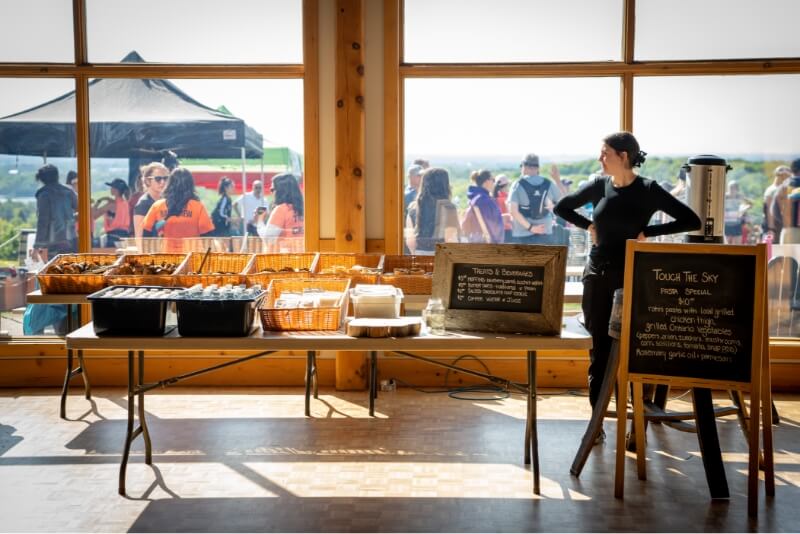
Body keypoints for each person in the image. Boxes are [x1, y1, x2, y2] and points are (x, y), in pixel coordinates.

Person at [554, 132, 701, 438]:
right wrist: (589, 225)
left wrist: (649, 230)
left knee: (633, 351)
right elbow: (562, 208)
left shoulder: (648, 189)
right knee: (599, 350)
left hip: (631, 277)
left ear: (623, 156)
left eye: (604, 152)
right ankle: (596, 426)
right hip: (597, 275)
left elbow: (690, 220)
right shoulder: (598, 184)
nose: (599, 158)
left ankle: (634, 424)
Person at [141, 168, 215, 253]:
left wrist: (148, 253)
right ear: (190, 185)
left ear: (170, 183)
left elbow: (146, 232)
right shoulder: (198, 207)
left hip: (167, 257)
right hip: (192, 256)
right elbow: (208, 235)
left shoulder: (158, 205)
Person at [508, 154, 566, 244]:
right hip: (545, 232)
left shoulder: (517, 184)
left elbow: (513, 211)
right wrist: (557, 180)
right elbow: (565, 200)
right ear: (538, 167)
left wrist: (531, 228)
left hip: (522, 234)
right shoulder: (548, 183)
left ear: (524, 166)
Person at [405, 167, 461, 255]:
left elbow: (410, 241)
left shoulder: (413, 207)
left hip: (419, 255)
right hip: (443, 257)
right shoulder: (449, 207)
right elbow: (450, 239)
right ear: (445, 185)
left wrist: (415, 255)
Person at [31, 164, 78, 262]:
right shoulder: (69, 191)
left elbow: (43, 222)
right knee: (72, 270)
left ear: (42, 179)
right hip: (72, 239)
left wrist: (36, 247)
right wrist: (69, 220)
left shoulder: (44, 194)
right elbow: (81, 210)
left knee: (58, 272)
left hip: (55, 242)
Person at [255, 173, 304, 252]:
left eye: (272, 189)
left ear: (280, 191)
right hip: (304, 256)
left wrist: (260, 220)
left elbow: (268, 238)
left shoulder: (281, 209)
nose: (271, 193)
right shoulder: (304, 208)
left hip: (283, 258)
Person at [133, 162, 170, 251]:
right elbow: (139, 237)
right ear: (147, 181)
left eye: (166, 178)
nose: (163, 182)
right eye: (158, 179)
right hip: (151, 254)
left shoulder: (167, 201)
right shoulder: (143, 204)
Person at [461, 169, 504, 243]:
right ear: (487, 181)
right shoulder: (485, 201)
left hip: (475, 240)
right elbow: (494, 227)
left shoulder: (475, 197)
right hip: (487, 244)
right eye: (493, 180)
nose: (494, 182)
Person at [91, 178, 131, 248]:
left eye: (112, 187)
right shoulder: (126, 203)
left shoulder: (111, 205)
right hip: (125, 237)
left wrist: (99, 201)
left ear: (115, 190)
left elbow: (94, 216)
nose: (111, 189)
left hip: (112, 238)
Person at [775, 158, 800, 244]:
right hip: (797, 229)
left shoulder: (784, 185)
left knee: (787, 257)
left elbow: (774, 209)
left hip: (787, 230)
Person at [764, 165, 791, 240]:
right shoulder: (772, 190)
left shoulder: (783, 189)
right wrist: (771, 228)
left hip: (782, 224)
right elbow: (769, 210)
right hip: (775, 226)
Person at [723, 180, 752, 245]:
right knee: (727, 244)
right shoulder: (724, 197)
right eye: (730, 187)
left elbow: (751, 204)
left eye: (734, 188)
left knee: (737, 244)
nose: (732, 190)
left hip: (737, 223)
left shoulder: (739, 197)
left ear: (737, 189)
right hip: (727, 224)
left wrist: (744, 209)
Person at [493, 174, 513, 243]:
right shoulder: (507, 198)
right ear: (506, 185)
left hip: (496, 232)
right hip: (507, 232)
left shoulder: (492, 198)